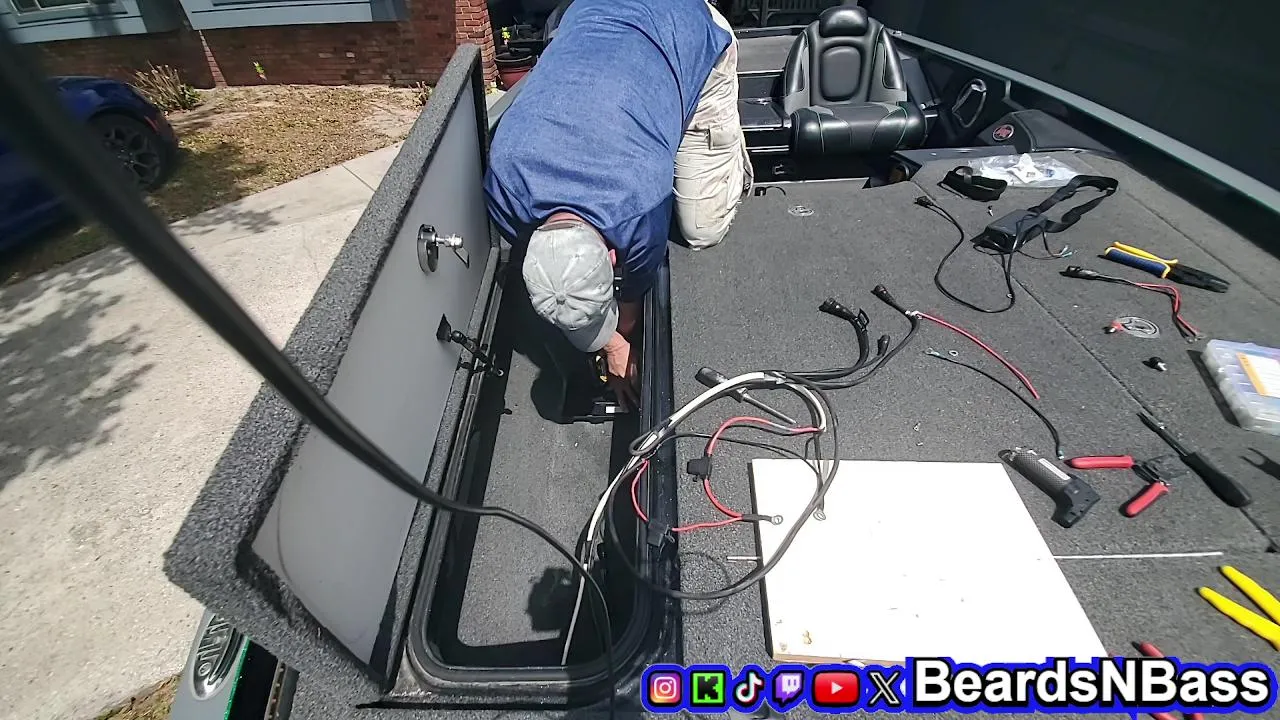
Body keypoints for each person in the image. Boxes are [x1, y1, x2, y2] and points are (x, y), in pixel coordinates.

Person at [484, 0, 752, 410]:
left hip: (685, 22)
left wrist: (619, 340)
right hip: (593, 16)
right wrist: (610, 345)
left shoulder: (638, 205)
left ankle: (732, 165)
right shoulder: (503, 186)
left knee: (702, 229)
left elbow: (630, 309)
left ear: (614, 257)